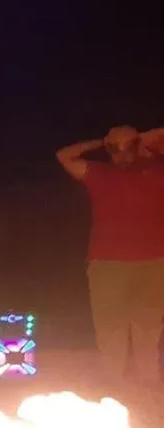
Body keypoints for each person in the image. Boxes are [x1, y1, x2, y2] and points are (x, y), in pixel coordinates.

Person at [57, 125, 164, 385]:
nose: (122, 153)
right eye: (115, 148)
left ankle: (149, 385)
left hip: (154, 263)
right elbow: (64, 156)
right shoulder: (99, 174)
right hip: (107, 265)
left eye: (129, 147)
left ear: (139, 146)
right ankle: (113, 384)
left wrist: (146, 140)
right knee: (110, 328)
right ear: (108, 150)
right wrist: (101, 142)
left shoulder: (159, 173)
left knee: (149, 328)